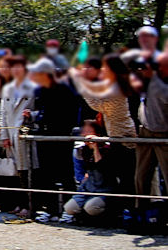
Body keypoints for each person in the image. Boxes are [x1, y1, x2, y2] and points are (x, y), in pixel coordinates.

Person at [69, 54, 137, 208]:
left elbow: (98, 105)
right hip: (116, 136)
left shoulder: (117, 87)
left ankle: (131, 211)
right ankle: (126, 211)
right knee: (122, 176)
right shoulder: (111, 85)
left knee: (127, 178)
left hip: (124, 138)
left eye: (105, 67)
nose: (103, 70)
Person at [25, 58, 78, 223]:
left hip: (60, 135)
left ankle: (69, 211)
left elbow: (70, 113)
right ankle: (50, 209)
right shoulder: (40, 90)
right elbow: (41, 112)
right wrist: (33, 117)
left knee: (65, 174)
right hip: (44, 134)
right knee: (46, 175)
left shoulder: (65, 89)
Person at [0, 55, 37, 217]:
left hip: (26, 133)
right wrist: (4, 135)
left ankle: (30, 205)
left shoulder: (33, 87)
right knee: (14, 172)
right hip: (11, 134)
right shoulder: (7, 89)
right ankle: (19, 203)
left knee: (27, 171)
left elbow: (39, 109)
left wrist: (32, 115)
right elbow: (3, 114)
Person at [62, 120, 116, 223]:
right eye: (84, 132)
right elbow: (80, 170)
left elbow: (102, 168)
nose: (85, 135)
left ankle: (106, 217)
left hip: (105, 189)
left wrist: (95, 148)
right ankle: (83, 217)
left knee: (91, 207)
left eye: (89, 132)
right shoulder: (82, 149)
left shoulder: (107, 149)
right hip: (88, 187)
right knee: (69, 208)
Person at [134, 52, 168, 210]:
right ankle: (142, 211)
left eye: (143, 68)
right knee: (141, 176)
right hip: (145, 131)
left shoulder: (160, 85)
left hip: (162, 132)